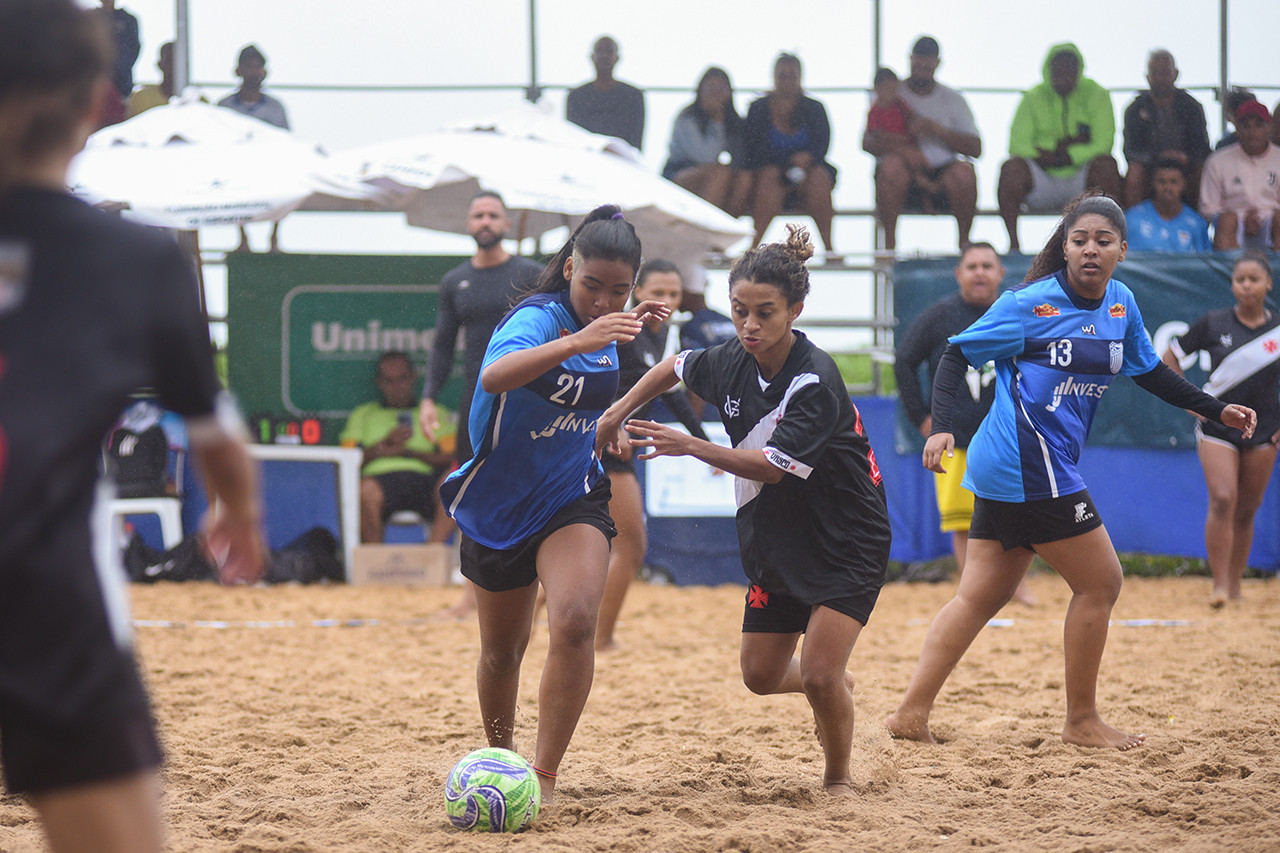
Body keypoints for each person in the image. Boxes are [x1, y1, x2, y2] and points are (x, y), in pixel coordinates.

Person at [0, 3, 266, 852]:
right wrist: (238, 513)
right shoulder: (138, 262)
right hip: (44, 599)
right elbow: (216, 432)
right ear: (96, 105)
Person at [884, 192, 1257, 752]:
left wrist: (1212, 407)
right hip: (1025, 462)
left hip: (1018, 465)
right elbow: (955, 355)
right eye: (1079, 240)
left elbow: (1149, 371)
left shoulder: (1120, 304)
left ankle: (909, 714)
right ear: (1063, 247)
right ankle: (1081, 721)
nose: (1089, 250)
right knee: (1102, 581)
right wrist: (937, 426)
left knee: (979, 596)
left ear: (1122, 251)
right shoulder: (1030, 304)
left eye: (1102, 241)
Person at [597, 224, 891, 796]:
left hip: (847, 536)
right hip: (775, 533)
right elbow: (673, 366)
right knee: (758, 676)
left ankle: (838, 781)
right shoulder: (731, 357)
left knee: (819, 672)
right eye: (739, 312)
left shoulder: (814, 380)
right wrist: (616, 411)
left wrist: (692, 445)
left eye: (765, 313)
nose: (750, 325)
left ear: (796, 310)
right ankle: (829, 683)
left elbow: (772, 466)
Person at [438, 204, 667, 806]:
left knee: (572, 622)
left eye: (619, 291)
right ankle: (499, 758)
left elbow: (577, 403)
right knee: (501, 652)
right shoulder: (538, 319)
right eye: (592, 285)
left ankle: (541, 776)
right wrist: (578, 338)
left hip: (571, 494)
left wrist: (604, 427)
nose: (603, 301)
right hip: (499, 503)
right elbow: (495, 377)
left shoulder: (614, 325)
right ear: (570, 268)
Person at [418, 191, 544, 618]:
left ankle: (542, 584)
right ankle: (470, 596)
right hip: (477, 403)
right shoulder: (455, 281)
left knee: (532, 489)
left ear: (507, 223)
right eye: (478, 215)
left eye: (493, 215)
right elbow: (441, 346)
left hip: (530, 401)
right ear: (468, 224)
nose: (485, 221)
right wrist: (429, 399)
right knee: (474, 494)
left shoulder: (530, 274)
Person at [893, 243, 1035, 606]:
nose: (980, 272)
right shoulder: (940, 315)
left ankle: (1015, 587)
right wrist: (922, 417)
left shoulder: (1015, 315)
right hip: (956, 440)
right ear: (958, 274)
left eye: (988, 265)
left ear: (1002, 273)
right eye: (971, 266)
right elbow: (905, 362)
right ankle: (973, 590)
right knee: (964, 522)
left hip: (1007, 437)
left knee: (1016, 514)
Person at [595, 259, 709, 651]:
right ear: (637, 294)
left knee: (605, 546)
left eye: (674, 294)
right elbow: (592, 379)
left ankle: (545, 606)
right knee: (631, 547)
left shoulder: (661, 337)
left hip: (615, 446)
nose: (667, 301)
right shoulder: (625, 330)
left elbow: (670, 393)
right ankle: (601, 639)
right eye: (658, 293)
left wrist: (703, 445)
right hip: (604, 443)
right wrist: (616, 423)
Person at [1162, 251, 1280, 607]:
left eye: (1254, 279)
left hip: (1265, 429)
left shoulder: (1277, 331)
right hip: (1217, 426)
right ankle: (1219, 586)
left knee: (1246, 509)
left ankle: (1236, 585)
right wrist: (1192, 402)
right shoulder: (1213, 323)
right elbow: (1169, 357)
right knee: (1223, 499)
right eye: (1239, 279)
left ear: (1268, 284)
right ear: (1232, 285)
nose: (1246, 286)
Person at [998, 44, 1122, 252]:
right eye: (1059, 71)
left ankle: (1107, 244)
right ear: (1049, 71)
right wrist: (1055, 153)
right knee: (1011, 169)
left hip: (1082, 182)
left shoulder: (1097, 94)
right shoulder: (1032, 97)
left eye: (1070, 71)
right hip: (1042, 178)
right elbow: (1017, 144)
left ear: (1079, 70)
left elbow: (1104, 143)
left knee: (1107, 166)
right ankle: (1014, 245)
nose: (1064, 76)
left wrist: (1067, 156)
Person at [867, 36, 981, 252]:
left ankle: (965, 248)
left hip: (942, 170)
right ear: (910, 60)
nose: (921, 70)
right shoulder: (890, 91)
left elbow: (976, 148)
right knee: (891, 167)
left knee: (965, 173)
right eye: (917, 64)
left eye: (927, 66)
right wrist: (903, 150)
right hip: (903, 171)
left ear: (937, 64)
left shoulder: (953, 99)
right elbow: (868, 140)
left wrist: (937, 130)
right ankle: (889, 249)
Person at [340, 352, 456, 544]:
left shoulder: (432, 412)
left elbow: (453, 457)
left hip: (424, 480)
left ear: (413, 377)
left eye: (402, 378)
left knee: (456, 481)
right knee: (365, 490)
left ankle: (431, 555)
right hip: (380, 482)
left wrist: (409, 453)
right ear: (379, 382)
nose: (397, 387)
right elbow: (346, 461)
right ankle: (373, 565)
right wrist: (383, 445)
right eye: (389, 381)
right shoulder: (363, 415)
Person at [740, 53, 837, 253]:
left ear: (800, 77)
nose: (787, 80)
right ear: (774, 77)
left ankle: (829, 248)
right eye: (782, 75)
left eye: (792, 75)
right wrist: (786, 163)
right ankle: (753, 248)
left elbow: (821, 145)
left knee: (820, 178)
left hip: (808, 173)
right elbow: (754, 149)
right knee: (769, 177)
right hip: (771, 175)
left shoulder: (815, 109)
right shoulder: (758, 109)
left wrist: (804, 160)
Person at [218, 44, 289, 253]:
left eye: (258, 67)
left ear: (265, 72)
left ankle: (274, 237)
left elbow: (286, 143)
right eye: (249, 67)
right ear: (238, 70)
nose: (254, 72)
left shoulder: (275, 107)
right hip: (235, 167)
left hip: (269, 166)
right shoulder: (225, 106)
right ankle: (242, 237)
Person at [1121, 50, 1211, 208]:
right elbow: (1131, 151)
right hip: (1150, 169)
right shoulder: (1135, 109)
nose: (1160, 78)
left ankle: (1198, 227)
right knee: (1135, 173)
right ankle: (1133, 227)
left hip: (1185, 168)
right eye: (1155, 73)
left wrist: (1184, 157)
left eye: (1164, 72)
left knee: (1203, 171)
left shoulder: (1192, 107)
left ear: (1175, 74)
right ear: (1147, 76)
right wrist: (1158, 157)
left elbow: (1202, 148)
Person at [662, 67, 752, 216]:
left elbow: (741, 158)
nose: (715, 93)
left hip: (716, 176)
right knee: (720, 173)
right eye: (711, 87)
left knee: (743, 179)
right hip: (679, 173)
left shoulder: (732, 120)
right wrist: (717, 122)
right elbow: (705, 156)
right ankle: (706, 229)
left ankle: (726, 228)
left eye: (721, 88)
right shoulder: (687, 118)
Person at [1199, 99, 1280, 250]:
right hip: (1233, 227)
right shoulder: (1218, 160)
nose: (1252, 131)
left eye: (1259, 125)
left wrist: (1259, 220)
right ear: (1236, 128)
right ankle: (1227, 272)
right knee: (1227, 220)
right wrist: (1242, 219)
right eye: (1246, 125)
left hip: (1270, 225)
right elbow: (1207, 208)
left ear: (1269, 128)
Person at [862, 67, 941, 216]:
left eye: (894, 89)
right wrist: (895, 140)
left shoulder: (899, 104)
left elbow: (911, 117)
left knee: (917, 159)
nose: (891, 93)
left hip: (908, 143)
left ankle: (926, 191)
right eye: (888, 89)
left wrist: (916, 129)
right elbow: (875, 133)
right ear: (877, 89)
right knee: (903, 163)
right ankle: (923, 182)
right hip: (895, 148)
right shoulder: (875, 111)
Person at [565, 36, 645, 151]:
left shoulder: (633, 97)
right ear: (592, 57)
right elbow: (574, 139)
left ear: (617, 58)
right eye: (599, 50)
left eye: (609, 51)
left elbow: (635, 145)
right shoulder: (577, 97)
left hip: (622, 162)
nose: (604, 56)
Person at [1124, 158, 1211, 252]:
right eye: (1162, 181)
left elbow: (1205, 262)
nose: (1167, 187)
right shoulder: (1131, 219)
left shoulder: (1197, 224)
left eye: (1174, 182)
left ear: (1184, 184)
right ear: (1152, 183)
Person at [126, 41, 174, 118]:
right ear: (160, 65)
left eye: (177, 62)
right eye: (169, 60)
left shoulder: (196, 101)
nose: (173, 66)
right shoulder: (141, 98)